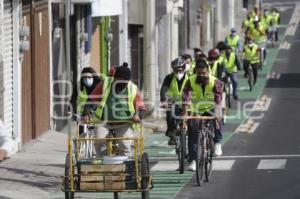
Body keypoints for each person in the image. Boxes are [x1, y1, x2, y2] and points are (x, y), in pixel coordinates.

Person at [90, 63, 146, 156]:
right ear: (114, 79)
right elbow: (91, 100)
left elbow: (141, 107)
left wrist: (138, 115)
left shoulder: (132, 88)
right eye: (119, 81)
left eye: (125, 82)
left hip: (124, 124)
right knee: (99, 139)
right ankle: (100, 163)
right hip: (105, 122)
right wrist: (86, 113)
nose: (122, 84)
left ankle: (124, 166)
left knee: (124, 144)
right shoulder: (105, 84)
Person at [182, 59, 223, 171]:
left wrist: (218, 113)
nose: (201, 75)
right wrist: (185, 113)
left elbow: (218, 99)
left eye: (203, 73)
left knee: (219, 119)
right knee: (193, 133)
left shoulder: (215, 81)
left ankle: (217, 143)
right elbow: (186, 97)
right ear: (196, 72)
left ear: (208, 72)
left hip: (211, 107)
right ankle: (193, 160)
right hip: (196, 109)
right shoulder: (190, 81)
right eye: (199, 73)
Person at [160, 58, 189, 145]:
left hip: (187, 103)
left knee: (193, 120)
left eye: (180, 70)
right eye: (175, 70)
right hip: (174, 102)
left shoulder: (190, 77)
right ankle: (172, 135)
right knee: (170, 114)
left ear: (184, 69)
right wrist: (163, 100)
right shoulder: (169, 77)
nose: (178, 73)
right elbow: (164, 89)